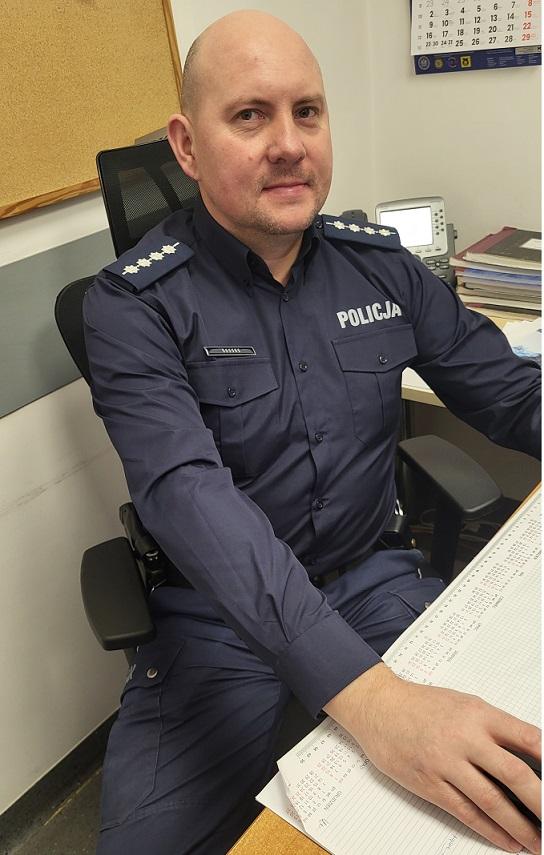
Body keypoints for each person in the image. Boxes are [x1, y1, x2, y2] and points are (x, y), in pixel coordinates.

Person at [83, 10, 541, 855]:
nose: (289, 144)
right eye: (249, 115)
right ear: (187, 146)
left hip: (372, 579)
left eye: (308, 112)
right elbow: (190, 499)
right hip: (217, 617)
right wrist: (373, 700)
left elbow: (512, 395)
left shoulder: (382, 267)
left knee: (511, 788)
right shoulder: (132, 306)